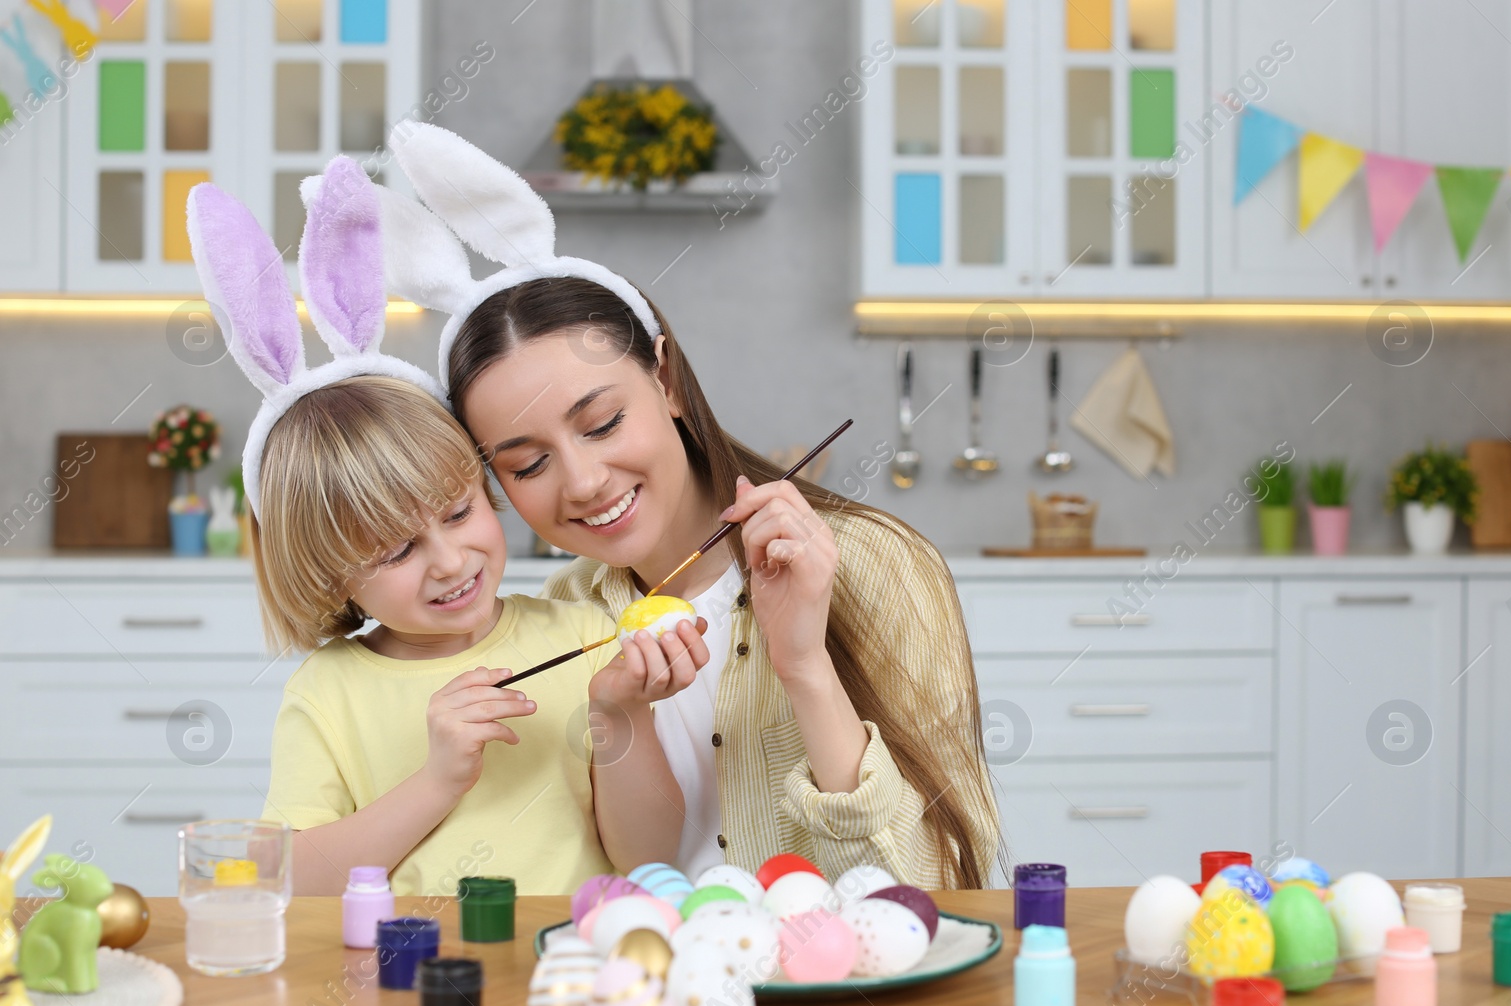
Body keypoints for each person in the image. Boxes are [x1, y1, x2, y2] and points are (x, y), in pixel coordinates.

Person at [379, 123, 1001, 889]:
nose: (581, 482)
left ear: (666, 381)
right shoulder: (560, 614)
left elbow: (928, 885)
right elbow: (598, 871)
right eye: (527, 463)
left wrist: (802, 662)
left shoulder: (875, 563)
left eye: (602, 423)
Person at [189, 156, 703, 896]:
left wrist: (620, 712)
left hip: (573, 967)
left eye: (459, 512)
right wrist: (436, 781)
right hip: (406, 991)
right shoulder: (328, 694)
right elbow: (293, 884)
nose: (448, 560)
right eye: (396, 550)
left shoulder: (583, 635)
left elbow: (649, 858)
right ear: (331, 573)